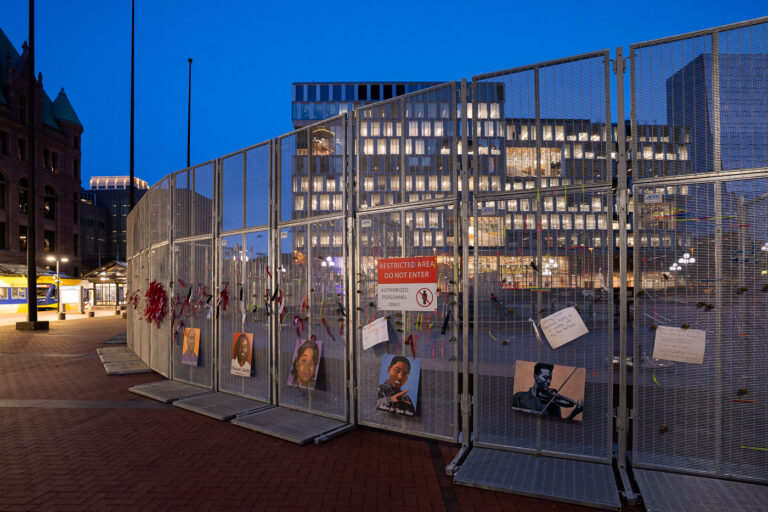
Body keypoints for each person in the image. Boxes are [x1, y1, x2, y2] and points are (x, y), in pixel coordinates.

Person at [511, 362, 583, 420]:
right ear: (535, 376)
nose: (548, 382)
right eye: (545, 377)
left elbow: (558, 427)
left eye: (550, 378)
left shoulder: (553, 403)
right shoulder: (519, 397)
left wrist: (574, 413)